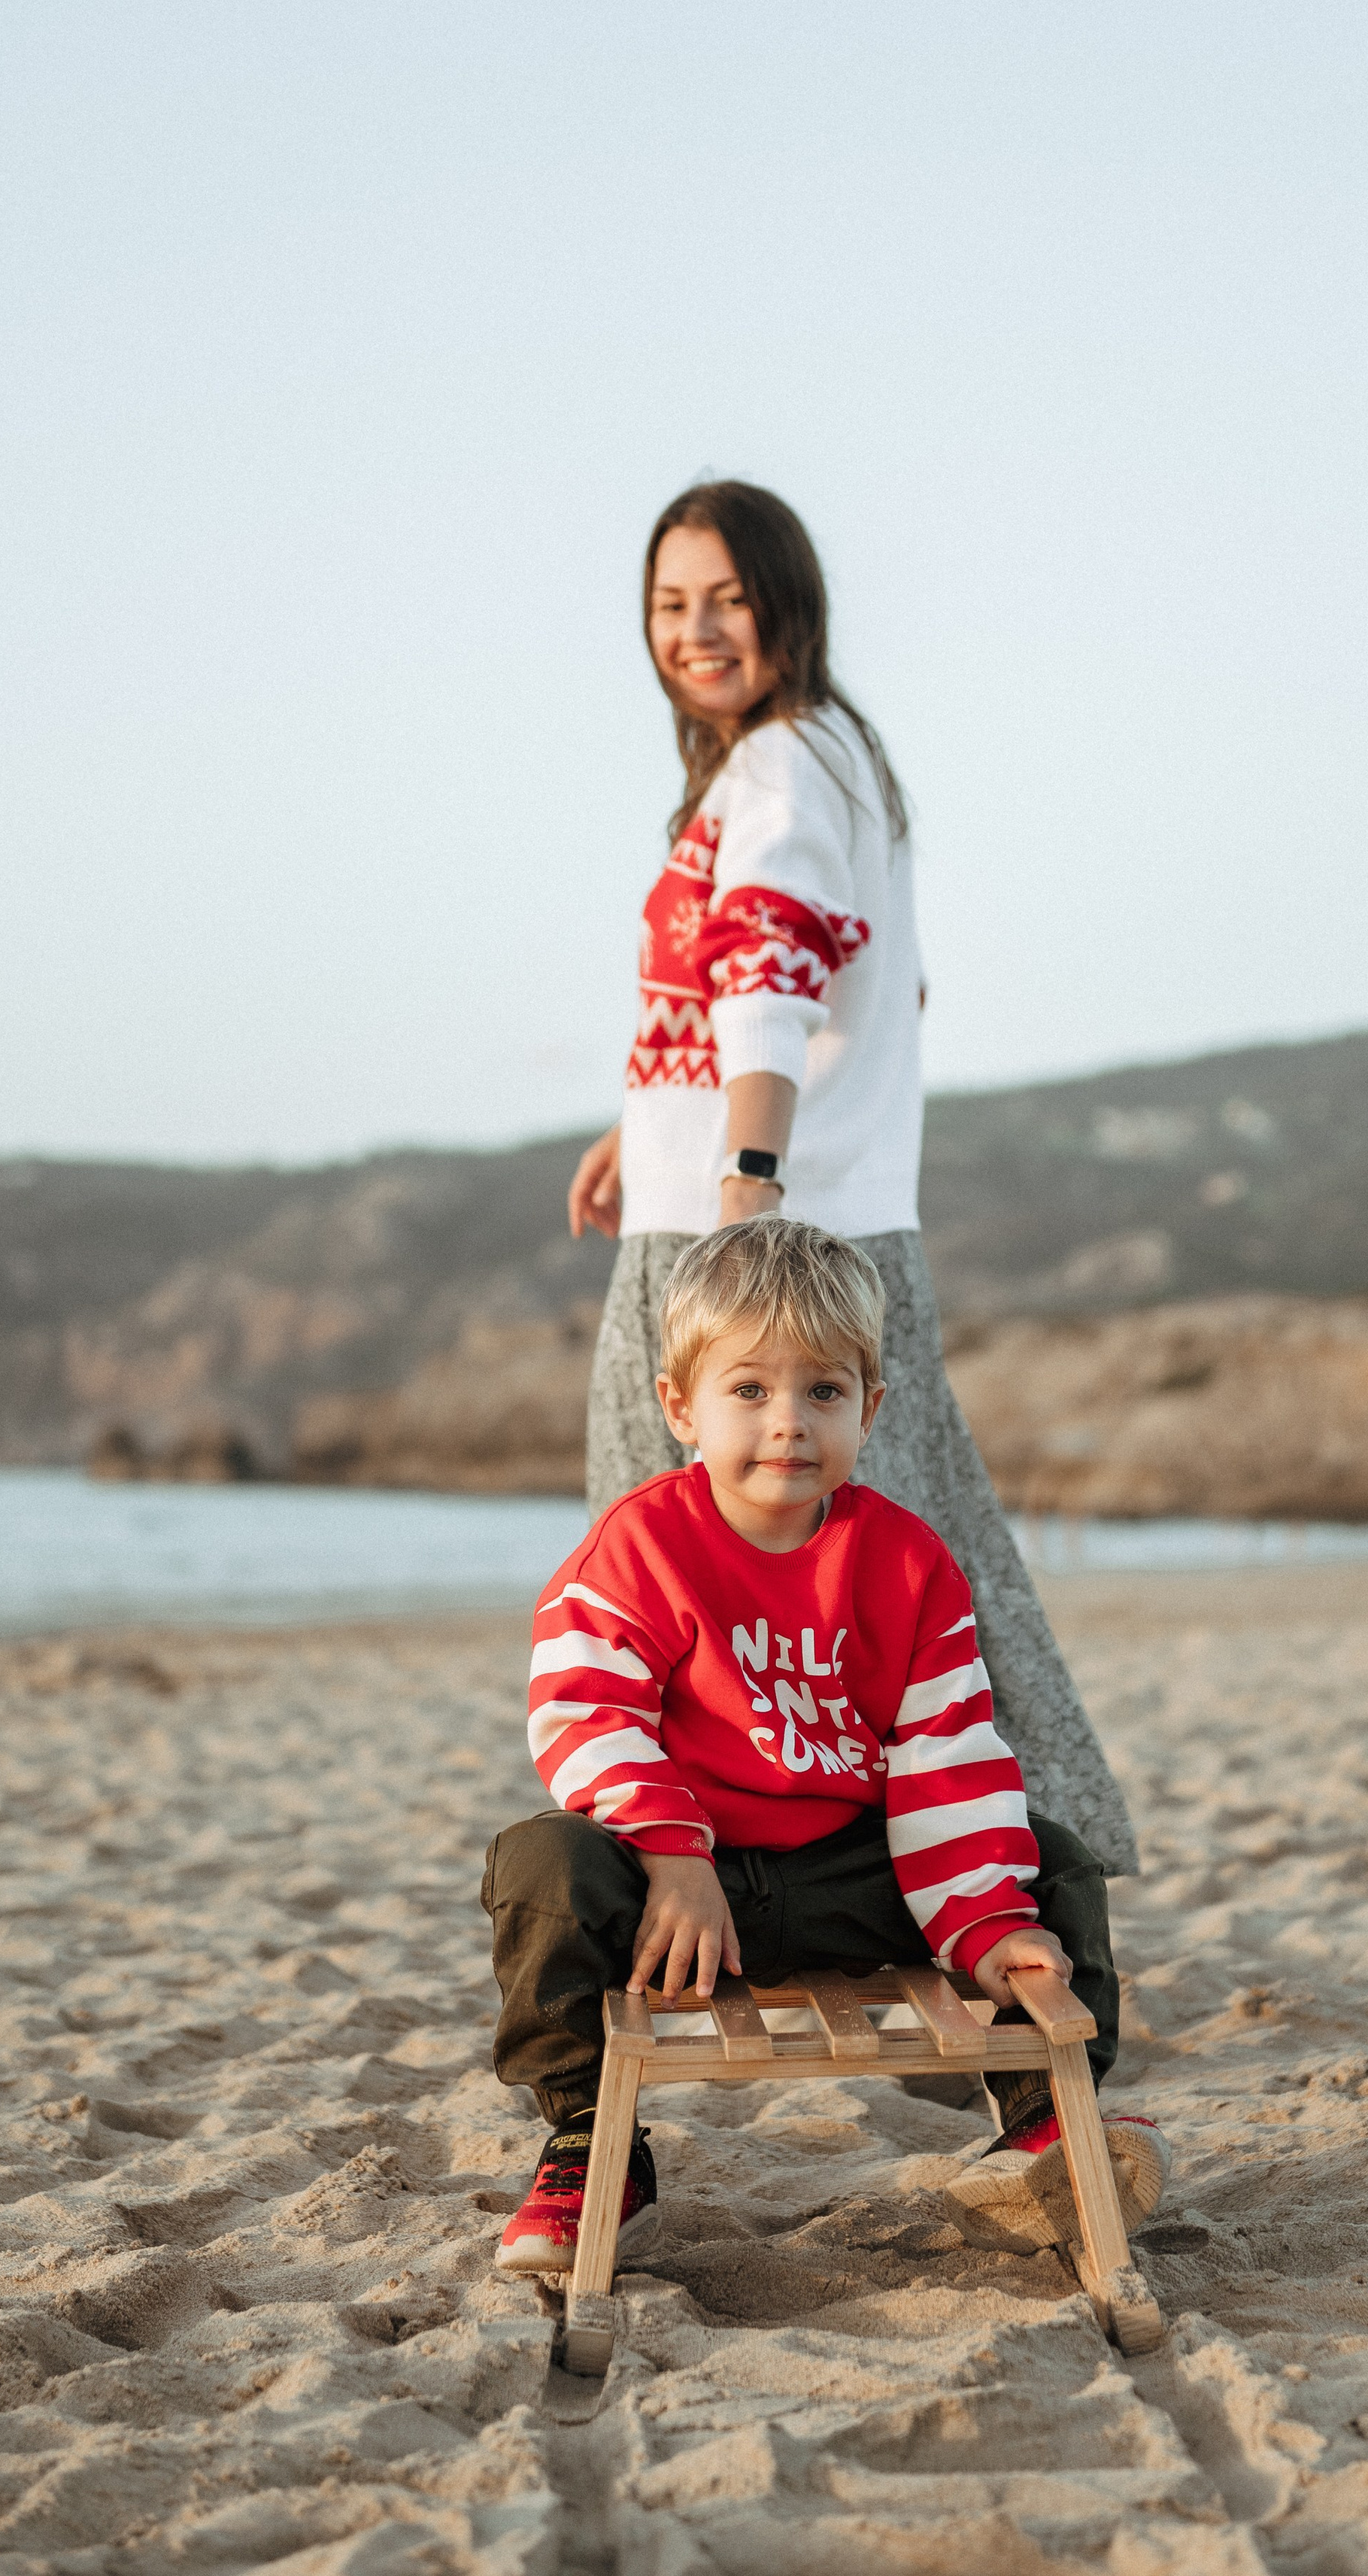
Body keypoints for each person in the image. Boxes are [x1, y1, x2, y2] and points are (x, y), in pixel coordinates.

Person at [566, 477, 1136, 1875]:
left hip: (746, 1250)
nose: (696, 632)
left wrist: (741, 1175)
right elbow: (889, 988)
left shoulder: (774, 770)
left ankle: (744, 1887)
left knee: (682, 1591)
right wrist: (648, 1124)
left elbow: (768, 986)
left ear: (787, 604)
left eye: (726, 600)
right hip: (850, 1228)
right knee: (917, 1577)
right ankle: (1030, 1874)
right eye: (668, 606)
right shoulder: (838, 759)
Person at [481, 1220, 1165, 2274]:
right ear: (679, 1407)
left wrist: (985, 1924)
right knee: (540, 1867)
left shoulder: (904, 1561)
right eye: (748, 1391)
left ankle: (1042, 2123)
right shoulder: (644, 1544)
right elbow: (584, 1711)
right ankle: (588, 2150)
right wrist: (673, 1855)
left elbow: (947, 1754)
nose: (788, 1424)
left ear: (871, 1407)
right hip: (688, 1897)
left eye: (824, 1393)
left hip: (856, 1874)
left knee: (1054, 1856)